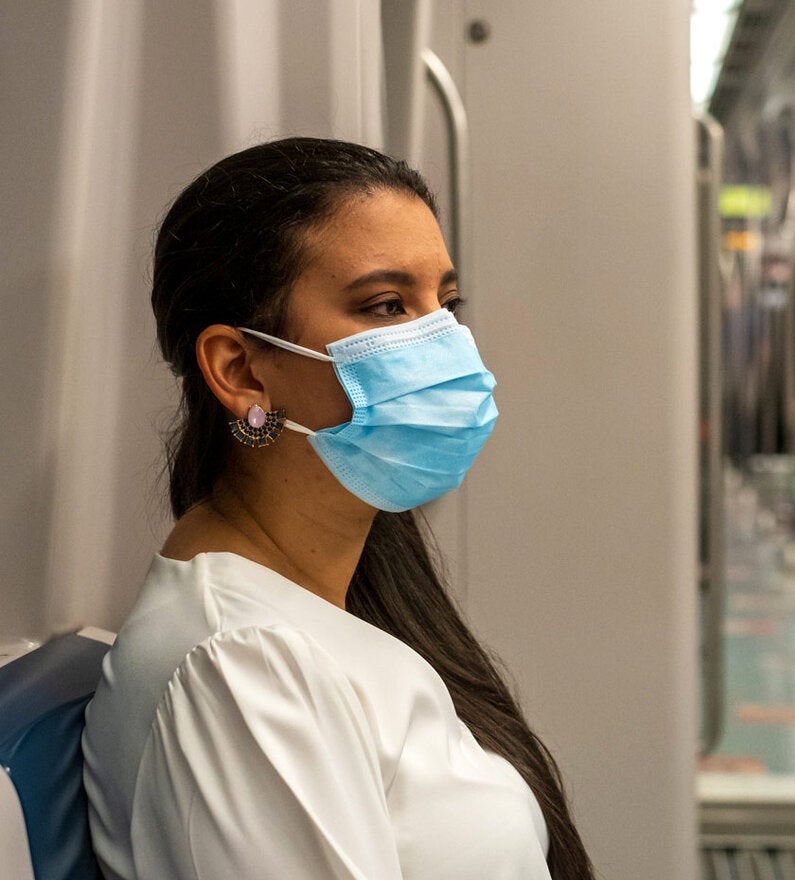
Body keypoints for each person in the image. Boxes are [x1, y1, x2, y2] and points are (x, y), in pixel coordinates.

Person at [82, 138, 595, 879]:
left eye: (445, 305)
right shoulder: (239, 667)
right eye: (387, 306)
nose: (445, 344)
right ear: (241, 370)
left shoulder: (345, 600)